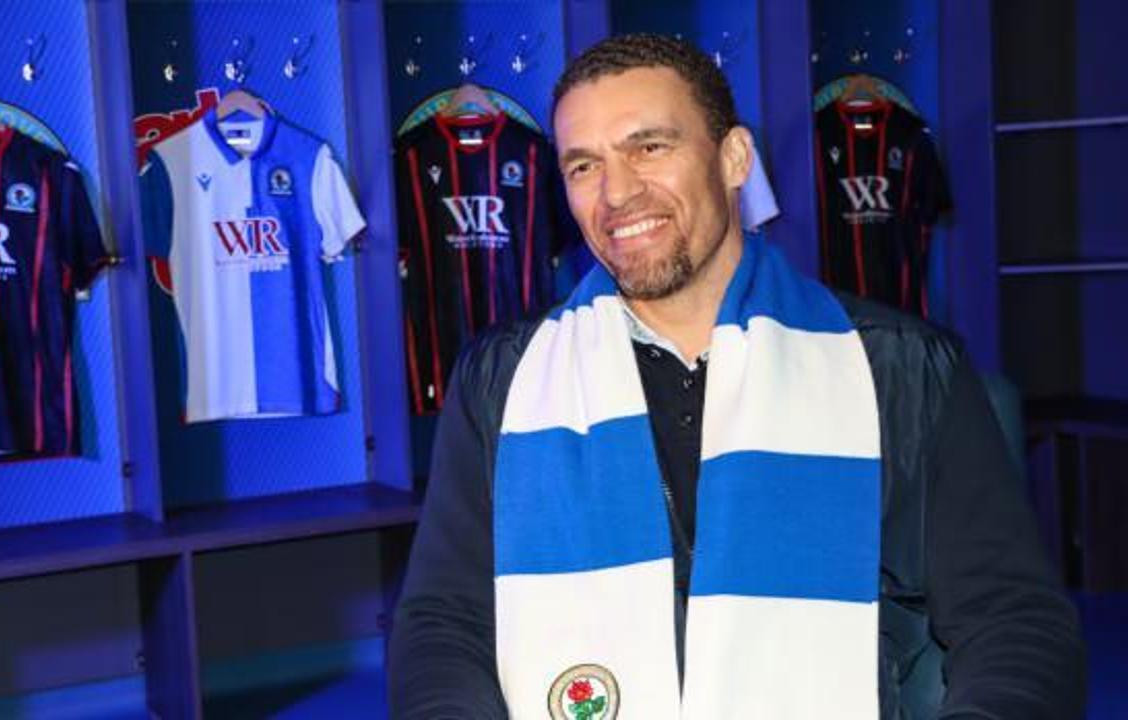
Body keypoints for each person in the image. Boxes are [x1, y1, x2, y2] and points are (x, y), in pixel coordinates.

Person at [388, 33, 1085, 719]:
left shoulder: (903, 369)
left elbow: (1013, 620)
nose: (616, 193)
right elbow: (446, 623)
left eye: (649, 148)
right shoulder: (501, 382)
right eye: (583, 166)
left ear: (734, 159)